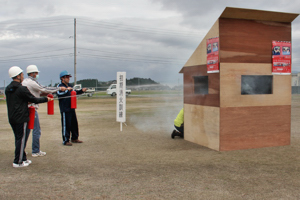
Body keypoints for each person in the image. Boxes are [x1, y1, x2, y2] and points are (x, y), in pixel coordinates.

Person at [5, 66, 52, 168]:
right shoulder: (22, 89)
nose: (23, 76)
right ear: (17, 76)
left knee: (18, 138)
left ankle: (23, 158)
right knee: (21, 139)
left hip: (12, 117)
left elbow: (20, 100)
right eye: (21, 74)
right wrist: (46, 99)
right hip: (21, 117)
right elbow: (33, 99)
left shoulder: (8, 89)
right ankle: (18, 161)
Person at [22, 65, 68, 157]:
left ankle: (21, 149)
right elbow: (44, 89)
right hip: (32, 108)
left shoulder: (25, 82)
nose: (37, 74)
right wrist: (59, 89)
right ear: (32, 73)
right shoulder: (32, 82)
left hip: (26, 108)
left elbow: (39, 91)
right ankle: (35, 150)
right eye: (36, 73)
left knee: (26, 131)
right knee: (36, 130)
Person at [57, 70, 86, 146]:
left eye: (69, 77)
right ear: (62, 78)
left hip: (71, 108)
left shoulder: (70, 85)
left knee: (74, 124)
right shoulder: (59, 86)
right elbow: (59, 94)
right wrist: (67, 90)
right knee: (66, 125)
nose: (68, 79)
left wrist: (81, 91)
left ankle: (74, 138)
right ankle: (66, 140)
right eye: (67, 77)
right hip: (65, 109)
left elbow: (74, 92)